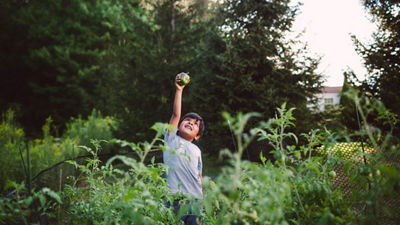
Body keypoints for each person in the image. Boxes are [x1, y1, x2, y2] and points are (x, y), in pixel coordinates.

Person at [164, 73, 205, 225]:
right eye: (187, 120)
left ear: (197, 136)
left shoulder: (197, 150)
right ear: (179, 125)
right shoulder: (172, 138)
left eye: (195, 124)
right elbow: (176, 114)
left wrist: (202, 200)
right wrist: (179, 91)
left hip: (194, 200)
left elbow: (199, 175)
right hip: (174, 198)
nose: (190, 123)